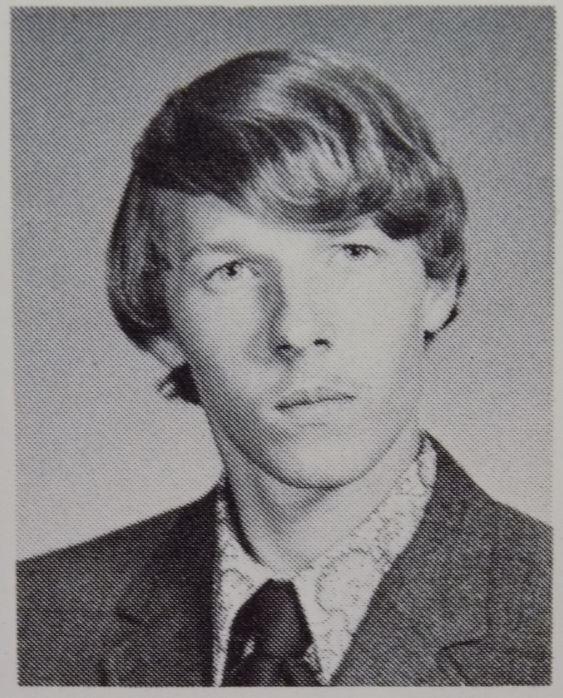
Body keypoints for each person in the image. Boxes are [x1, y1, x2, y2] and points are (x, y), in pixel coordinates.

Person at [17, 49, 551, 686]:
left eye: (352, 253)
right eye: (232, 271)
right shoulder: (28, 623)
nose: (296, 330)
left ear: (438, 287)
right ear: (164, 326)